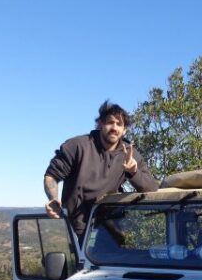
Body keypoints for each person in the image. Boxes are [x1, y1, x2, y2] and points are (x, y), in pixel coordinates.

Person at [44, 100, 159, 246]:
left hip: (108, 225)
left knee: (112, 257)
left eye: (119, 124)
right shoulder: (77, 146)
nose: (114, 128)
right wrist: (53, 199)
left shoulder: (130, 153)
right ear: (100, 124)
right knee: (82, 264)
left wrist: (133, 172)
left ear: (124, 130)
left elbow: (151, 188)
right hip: (78, 225)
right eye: (110, 122)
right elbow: (51, 176)